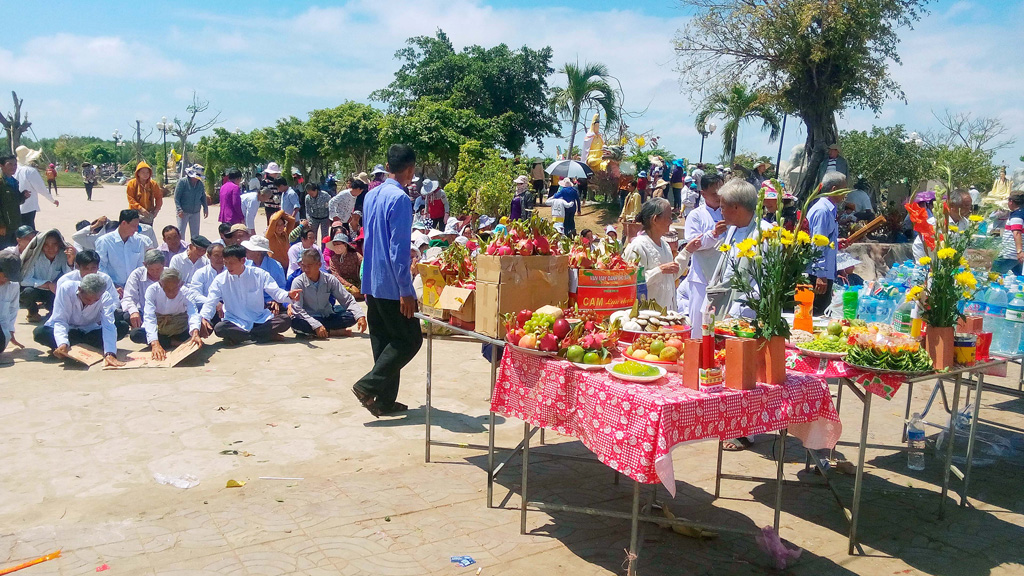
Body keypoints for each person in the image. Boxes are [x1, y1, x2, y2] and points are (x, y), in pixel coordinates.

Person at [353, 144, 422, 418]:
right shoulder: (401, 199)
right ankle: (367, 385)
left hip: (372, 279)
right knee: (409, 340)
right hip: (392, 284)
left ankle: (383, 400)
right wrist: (406, 289)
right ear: (410, 170)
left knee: (383, 342)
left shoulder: (372, 195)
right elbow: (398, 249)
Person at [200, 244, 295, 344]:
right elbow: (211, 300)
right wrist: (205, 317)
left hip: (259, 319)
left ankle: (244, 337)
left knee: (285, 320)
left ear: (243, 261)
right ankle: (263, 335)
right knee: (220, 328)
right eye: (225, 263)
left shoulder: (259, 274)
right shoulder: (220, 280)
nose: (228, 266)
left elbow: (276, 292)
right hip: (235, 321)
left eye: (231, 263)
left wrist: (288, 295)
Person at [33, 273, 126, 367]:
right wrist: (62, 342)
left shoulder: (105, 297)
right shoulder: (66, 289)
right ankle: (69, 346)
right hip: (69, 330)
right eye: (88, 299)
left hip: (90, 331)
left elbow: (108, 325)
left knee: (122, 327)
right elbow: (61, 320)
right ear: (80, 290)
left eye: (96, 300)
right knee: (40, 333)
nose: (91, 303)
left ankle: (75, 345)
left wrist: (110, 353)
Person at [624, 198, 699, 311]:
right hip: (646, 316)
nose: (671, 221)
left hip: (666, 313)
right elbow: (630, 283)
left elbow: (671, 275)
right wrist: (659, 270)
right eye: (668, 217)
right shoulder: (638, 246)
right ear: (655, 219)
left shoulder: (664, 244)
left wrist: (687, 251)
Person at [680, 173, 727, 325]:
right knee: (699, 321)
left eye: (721, 193)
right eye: (714, 193)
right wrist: (714, 234)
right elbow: (693, 243)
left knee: (720, 320)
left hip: (724, 275)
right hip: (701, 275)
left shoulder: (728, 214)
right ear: (703, 193)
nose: (719, 197)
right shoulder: (695, 216)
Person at [288, 248, 367, 338]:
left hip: (327, 315)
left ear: (319, 265)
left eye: (309, 266)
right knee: (295, 323)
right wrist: (315, 324)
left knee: (352, 315)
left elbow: (347, 299)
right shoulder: (298, 282)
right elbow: (298, 310)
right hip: (309, 317)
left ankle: (321, 331)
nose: (305, 269)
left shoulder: (329, 279)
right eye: (303, 265)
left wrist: (360, 316)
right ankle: (333, 332)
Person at [130, 268, 203, 358]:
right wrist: (154, 343)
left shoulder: (186, 292)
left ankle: (166, 341)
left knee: (203, 326)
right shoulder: (152, 290)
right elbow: (149, 316)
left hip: (180, 326)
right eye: (167, 289)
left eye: (175, 289)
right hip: (160, 327)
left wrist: (195, 332)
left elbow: (193, 313)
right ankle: (172, 342)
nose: (171, 293)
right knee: (135, 334)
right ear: (161, 284)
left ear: (180, 284)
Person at [807, 172, 847, 314]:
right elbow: (817, 244)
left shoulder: (830, 209)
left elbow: (824, 238)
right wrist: (820, 274)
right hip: (818, 275)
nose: (846, 193)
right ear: (834, 189)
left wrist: (836, 241)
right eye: (844, 189)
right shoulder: (822, 211)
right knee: (816, 315)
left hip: (826, 273)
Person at [19, 229, 74, 322]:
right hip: (36, 289)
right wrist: (47, 284)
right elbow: (24, 280)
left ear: (59, 244)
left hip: (53, 291)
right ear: (41, 245)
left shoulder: (62, 255)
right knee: (27, 293)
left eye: (54, 244)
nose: (50, 248)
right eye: (46, 245)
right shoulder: (35, 257)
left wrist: (70, 261)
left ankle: (52, 312)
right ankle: (32, 312)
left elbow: (69, 277)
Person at [95, 209, 152, 289]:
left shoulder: (139, 241)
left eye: (137, 226)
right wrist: (112, 286)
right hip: (110, 288)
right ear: (124, 223)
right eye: (134, 226)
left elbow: (140, 266)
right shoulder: (104, 241)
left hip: (134, 287)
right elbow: (100, 267)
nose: (136, 229)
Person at [912, 189, 972, 262]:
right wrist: (925, 265)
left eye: (970, 206)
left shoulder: (965, 223)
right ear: (952, 206)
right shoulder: (934, 223)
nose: (969, 210)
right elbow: (919, 244)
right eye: (965, 206)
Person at [56, 249, 121, 311]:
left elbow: (114, 301)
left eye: (93, 268)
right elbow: (61, 305)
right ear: (77, 266)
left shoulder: (105, 279)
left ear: (98, 266)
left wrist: (105, 315)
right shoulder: (65, 281)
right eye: (86, 268)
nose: (90, 272)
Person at [122, 249, 166, 331]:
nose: (155, 273)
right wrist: (134, 311)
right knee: (128, 317)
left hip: (167, 315)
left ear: (164, 264)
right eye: (152, 270)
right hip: (144, 313)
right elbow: (128, 297)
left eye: (158, 269)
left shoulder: (170, 274)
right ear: (145, 265)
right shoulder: (137, 274)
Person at [15, 146, 58, 229]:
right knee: (29, 230)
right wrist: (52, 200)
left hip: (13, 206)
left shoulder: (13, 169)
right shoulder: (30, 171)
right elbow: (41, 189)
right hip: (28, 206)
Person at [0, 154, 28, 249]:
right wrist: (1, 224)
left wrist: (23, 196)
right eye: (10, 164)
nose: (13, 167)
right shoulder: (1, 183)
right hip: (4, 226)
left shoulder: (14, 181)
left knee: (14, 251)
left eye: (15, 164)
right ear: (2, 165)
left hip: (15, 223)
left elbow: (15, 202)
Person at [994, 192, 1024, 275]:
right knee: (1017, 280)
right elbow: (1011, 231)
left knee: (993, 276)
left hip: (1010, 254)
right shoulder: (1021, 213)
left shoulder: (1017, 215)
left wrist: (1019, 251)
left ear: (1011, 201)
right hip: (1015, 255)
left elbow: (1017, 232)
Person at [125, 161, 163, 226]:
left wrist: (156, 210)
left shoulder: (153, 184)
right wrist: (141, 209)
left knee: (147, 232)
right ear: (138, 173)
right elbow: (130, 199)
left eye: (147, 172)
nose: (146, 174)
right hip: (134, 213)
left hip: (148, 213)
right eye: (143, 172)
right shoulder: (132, 183)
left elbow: (159, 197)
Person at [0, 251, 23, 355]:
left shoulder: (13, 286)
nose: (6, 279)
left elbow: (12, 309)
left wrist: (10, 331)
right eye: (5, 276)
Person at [327, 232, 362, 297]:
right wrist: (350, 286)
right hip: (343, 285)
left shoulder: (355, 256)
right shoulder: (333, 259)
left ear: (345, 245)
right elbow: (336, 276)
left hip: (357, 282)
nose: (336, 246)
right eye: (334, 245)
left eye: (338, 244)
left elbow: (363, 265)